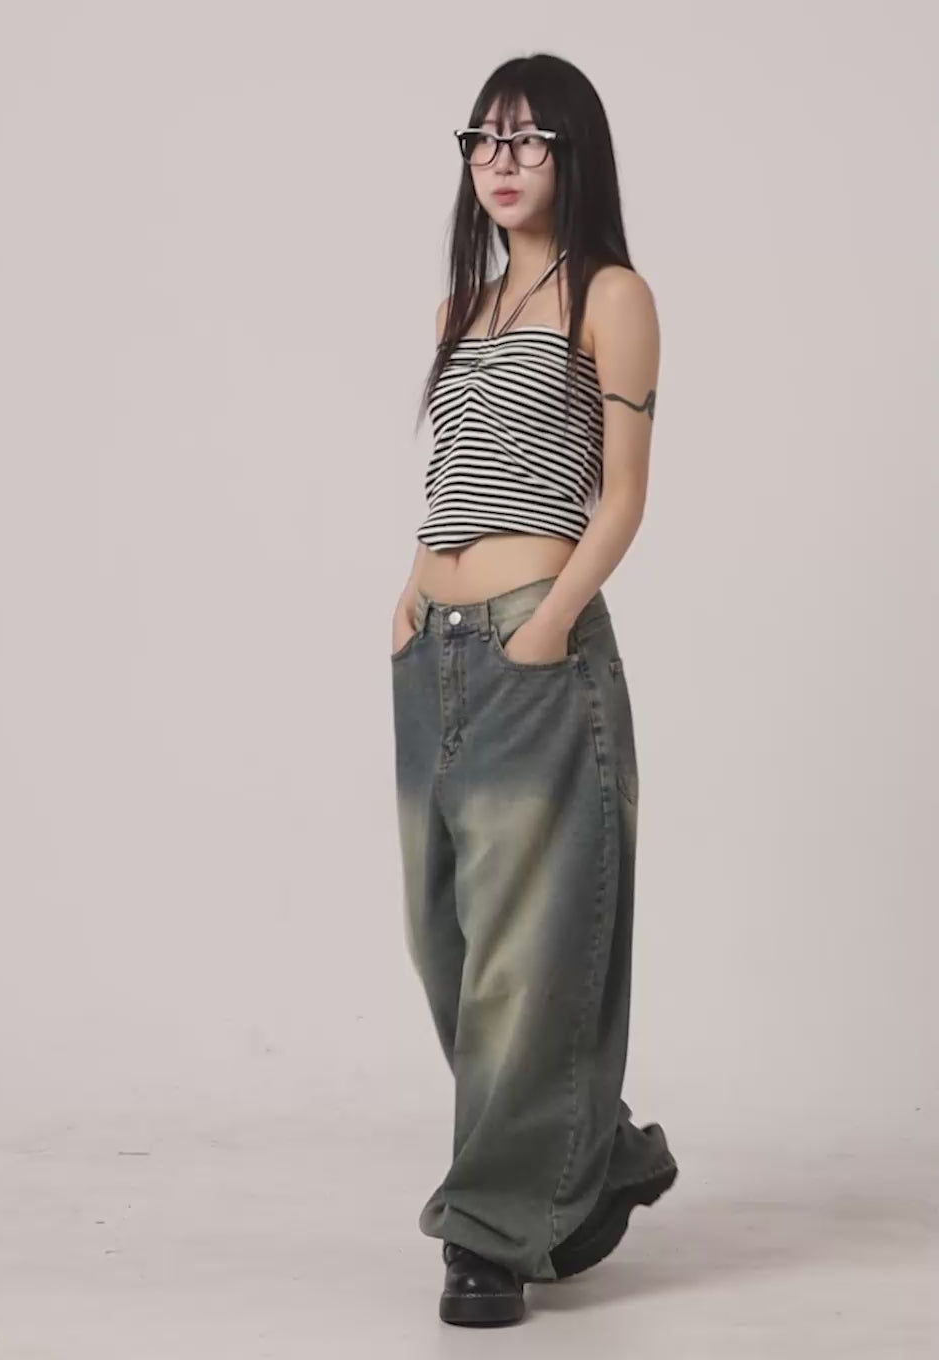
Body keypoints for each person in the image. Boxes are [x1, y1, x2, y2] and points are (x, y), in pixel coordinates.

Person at [390, 53, 679, 1328]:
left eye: (528, 141)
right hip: (435, 646)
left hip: (532, 640)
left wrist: (551, 621)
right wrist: (408, 591)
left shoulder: (612, 294)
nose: (498, 162)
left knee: (521, 957)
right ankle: (592, 1152)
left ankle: (491, 1228)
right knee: (445, 940)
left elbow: (622, 493)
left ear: (574, 154)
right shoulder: (461, 308)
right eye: (482, 140)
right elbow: (462, 464)